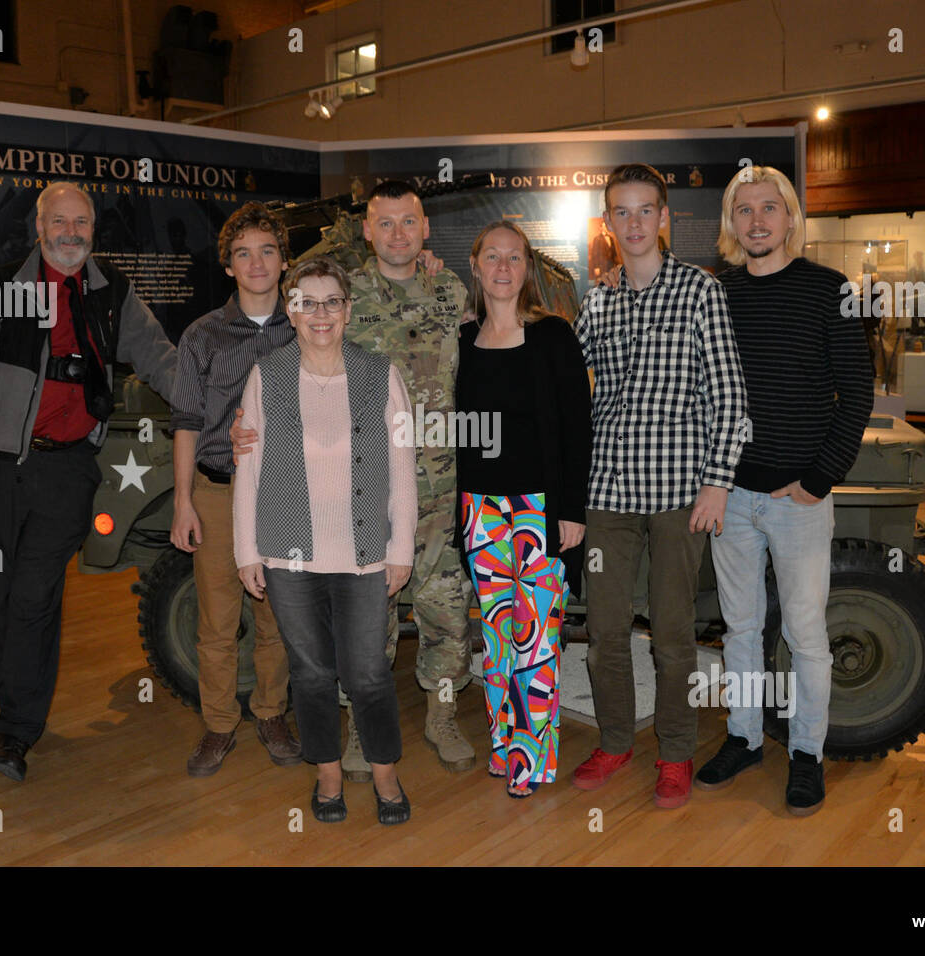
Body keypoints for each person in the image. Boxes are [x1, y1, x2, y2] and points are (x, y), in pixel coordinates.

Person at [235, 180, 475, 780]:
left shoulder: (450, 289)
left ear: (425, 230)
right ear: (366, 230)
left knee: (448, 616)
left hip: (439, 491)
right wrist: (244, 425)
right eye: (384, 223)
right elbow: (286, 351)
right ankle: (355, 737)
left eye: (408, 222)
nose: (397, 233)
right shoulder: (344, 293)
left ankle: (442, 719)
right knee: (367, 633)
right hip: (363, 491)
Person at [0, 181, 178, 782]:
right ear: (40, 226)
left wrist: (227, 402)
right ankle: (15, 710)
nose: (71, 232)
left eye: (82, 223)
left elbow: (158, 357)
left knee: (34, 597)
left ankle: (16, 729)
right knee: (2, 602)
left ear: (92, 231)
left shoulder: (110, 293)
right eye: (60, 221)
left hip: (69, 470)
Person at [571, 163, 748, 809]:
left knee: (674, 638)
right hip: (608, 496)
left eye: (647, 210)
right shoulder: (600, 300)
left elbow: (729, 395)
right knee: (605, 634)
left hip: (680, 497)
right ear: (610, 223)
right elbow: (567, 382)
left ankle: (675, 752)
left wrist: (717, 484)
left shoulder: (701, 293)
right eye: (623, 211)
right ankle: (616, 740)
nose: (636, 222)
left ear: (665, 218)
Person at [699, 166, 872, 815]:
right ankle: (744, 738)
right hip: (732, 497)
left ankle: (806, 753)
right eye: (744, 211)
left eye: (769, 208)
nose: (758, 221)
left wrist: (820, 476)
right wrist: (711, 481)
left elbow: (856, 391)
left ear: (790, 218)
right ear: (730, 224)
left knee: (805, 634)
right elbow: (704, 392)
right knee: (740, 629)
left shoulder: (830, 290)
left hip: (800, 499)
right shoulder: (716, 295)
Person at [233, 256, 417, 824]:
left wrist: (401, 549)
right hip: (288, 554)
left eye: (331, 302)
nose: (320, 314)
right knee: (310, 671)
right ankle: (327, 773)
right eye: (306, 302)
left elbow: (403, 469)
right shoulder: (268, 376)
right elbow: (250, 467)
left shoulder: (380, 375)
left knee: (367, 672)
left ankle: (385, 772)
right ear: (291, 311)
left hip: (364, 555)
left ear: (348, 310)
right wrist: (246, 551)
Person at [457, 221, 591, 797]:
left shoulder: (555, 336)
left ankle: (532, 761)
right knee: (493, 640)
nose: (504, 267)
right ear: (477, 265)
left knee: (534, 642)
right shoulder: (462, 340)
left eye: (515, 257)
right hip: (479, 511)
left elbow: (577, 429)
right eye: (493, 256)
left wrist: (571, 511)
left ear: (527, 268)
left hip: (539, 509)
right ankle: (502, 745)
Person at [168, 202, 301, 776]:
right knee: (217, 620)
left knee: (278, 617)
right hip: (218, 493)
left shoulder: (307, 328)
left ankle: (271, 712)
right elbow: (185, 423)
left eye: (267, 251)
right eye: (243, 253)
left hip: (286, 493)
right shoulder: (202, 335)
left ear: (284, 261)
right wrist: (182, 502)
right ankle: (219, 724)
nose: (256, 263)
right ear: (228, 265)